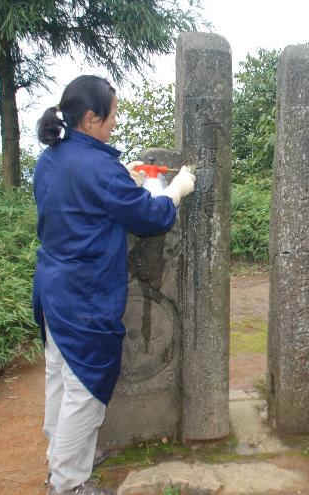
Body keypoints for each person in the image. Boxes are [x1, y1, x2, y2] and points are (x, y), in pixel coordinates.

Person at [33, 75, 196, 495]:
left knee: (59, 375)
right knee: (86, 383)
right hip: (85, 293)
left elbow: (81, 203)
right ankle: (67, 484)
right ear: (90, 118)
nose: (114, 124)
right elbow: (151, 218)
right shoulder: (96, 165)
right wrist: (174, 191)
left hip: (53, 285)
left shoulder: (52, 157)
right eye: (111, 116)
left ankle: (63, 459)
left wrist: (125, 182)